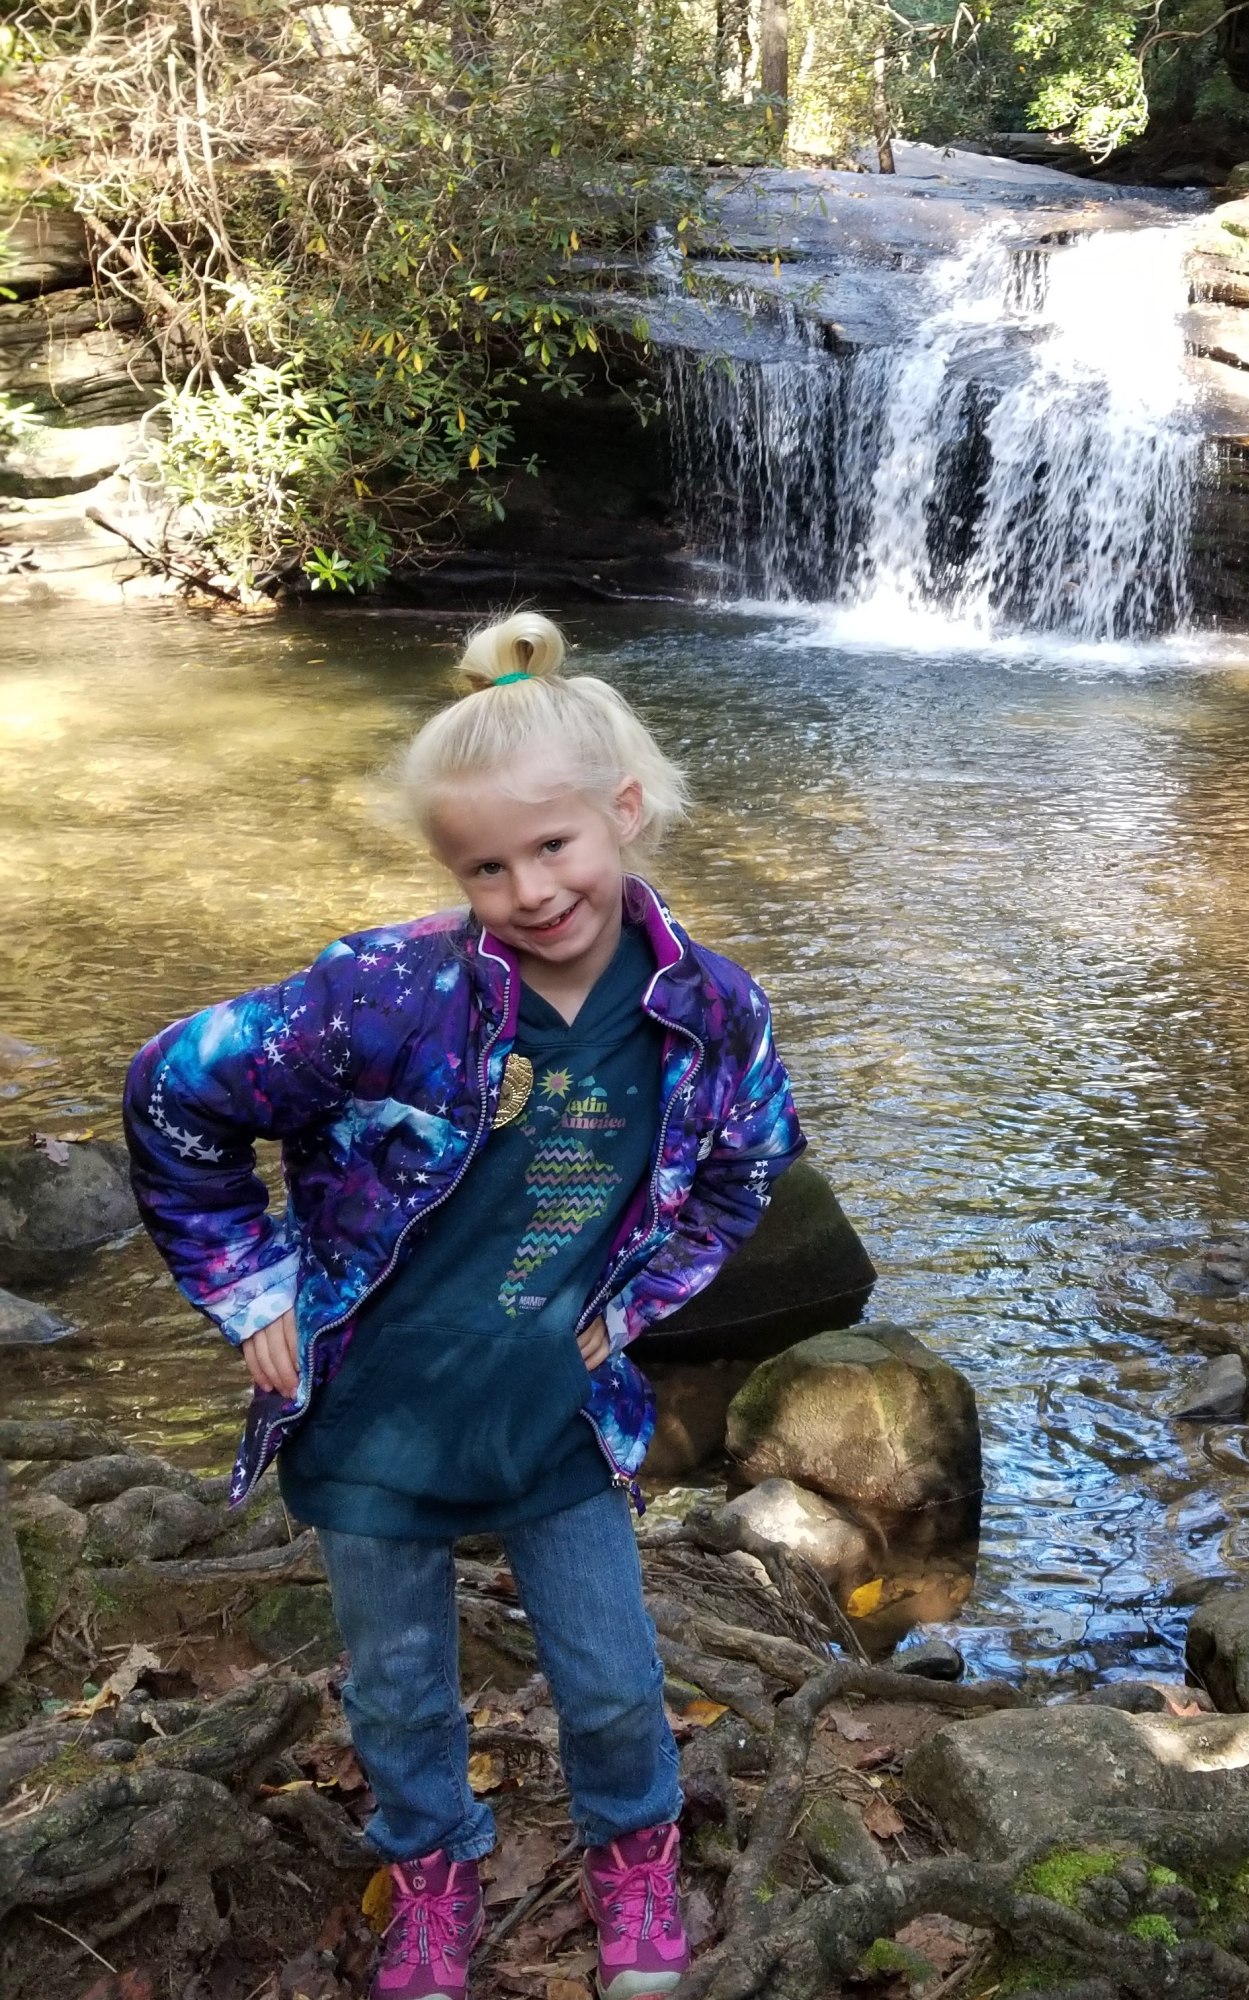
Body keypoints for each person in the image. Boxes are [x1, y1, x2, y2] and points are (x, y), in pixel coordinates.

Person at [124, 611, 804, 2000]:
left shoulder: (712, 1010)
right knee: (395, 1689)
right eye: (485, 867)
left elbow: (748, 1166)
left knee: (612, 1678)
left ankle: (634, 1854)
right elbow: (175, 1091)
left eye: (553, 847)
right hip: (370, 1420)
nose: (530, 890)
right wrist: (249, 1285)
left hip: (556, 1415)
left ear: (623, 813)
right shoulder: (382, 995)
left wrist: (643, 1301)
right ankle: (432, 1867)